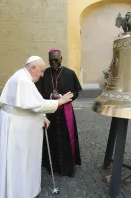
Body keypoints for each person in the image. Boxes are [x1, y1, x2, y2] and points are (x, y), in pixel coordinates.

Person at [0, 56, 73, 198]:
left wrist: (41, 116)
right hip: (17, 127)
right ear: (33, 68)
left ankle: (24, 188)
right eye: (41, 71)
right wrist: (60, 102)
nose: (42, 74)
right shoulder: (23, 81)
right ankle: (19, 192)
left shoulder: (22, 75)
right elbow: (37, 104)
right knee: (19, 160)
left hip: (17, 121)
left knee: (20, 159)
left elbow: (28, 104)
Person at [35, 48, 82, 177]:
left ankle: (68, 167)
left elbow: (76, 92)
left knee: (67, 139)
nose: (54, 62)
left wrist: (62, 97)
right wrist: (51, 95)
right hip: (50, 112)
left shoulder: (69, 73)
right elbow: (38, 92)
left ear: (61, 59)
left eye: (56, 60)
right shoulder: (45, 73)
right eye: (51, 60)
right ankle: (52, 166)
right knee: (51, 139)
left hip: (65, 112)